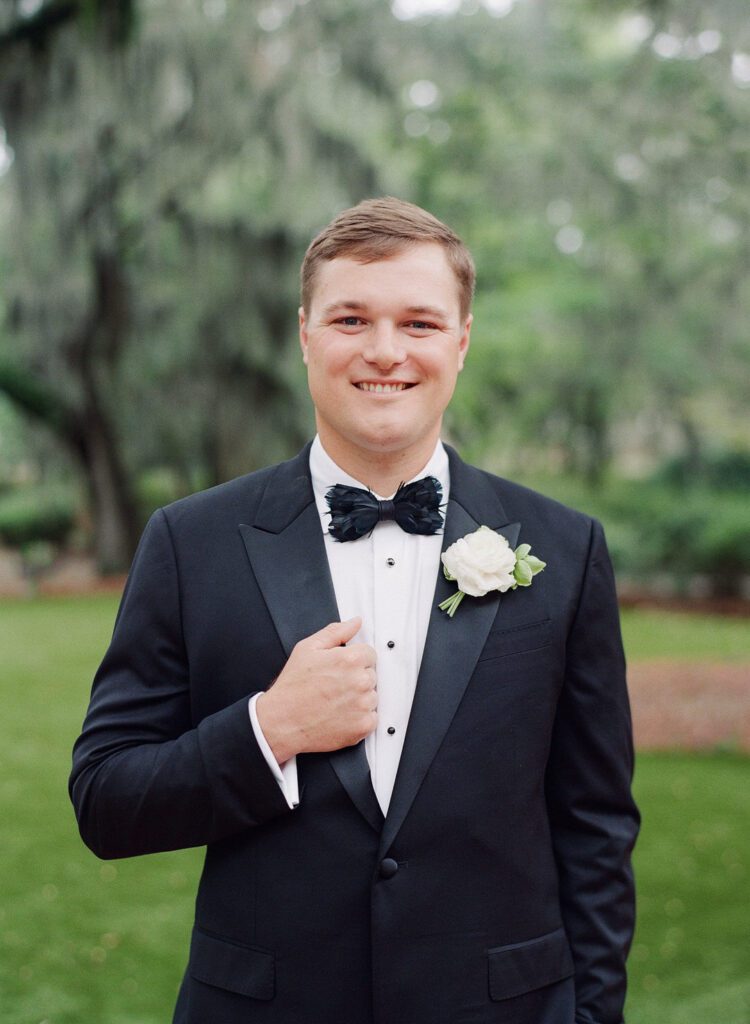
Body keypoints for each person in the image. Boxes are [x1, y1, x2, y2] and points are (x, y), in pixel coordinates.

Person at [70, 197, 639, 1024]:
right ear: (305, 334)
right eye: (350, 319)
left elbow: (595, 825)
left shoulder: (566, 548)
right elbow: (106, 801)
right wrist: (271, 730)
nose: (384, 351)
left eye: (419, 323)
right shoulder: (191, 543)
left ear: (462, 341)